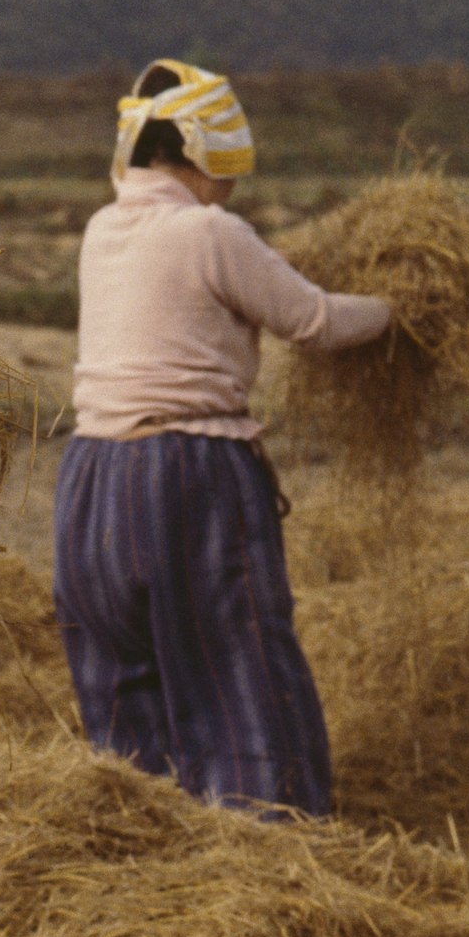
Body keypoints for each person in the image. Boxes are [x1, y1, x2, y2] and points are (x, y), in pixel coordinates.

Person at [52, 59, 392, 816]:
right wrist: (401, 310)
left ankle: (138, 844)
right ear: (203, 156)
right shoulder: (209, 231)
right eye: (228, 173)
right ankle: (271, 846)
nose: (233, 189)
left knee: (123, 684)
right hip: (187, 473)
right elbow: (317, 322)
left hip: (90, 479)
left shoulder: (101, 230)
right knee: (237, 665)